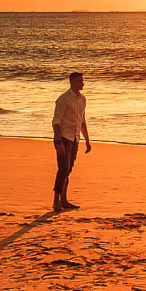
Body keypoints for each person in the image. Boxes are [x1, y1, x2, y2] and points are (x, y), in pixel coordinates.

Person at [52, 72, 91, 211]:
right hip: (63, 137)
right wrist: (58, 142)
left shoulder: (82, 99)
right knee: (63, 169)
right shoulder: (64, 99)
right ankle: (56, 201)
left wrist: (87, 140)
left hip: (75, 137)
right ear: (72, 83)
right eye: (79, 81)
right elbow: (56, 122)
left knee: (69, 169)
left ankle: (64, 199)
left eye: (82, 81)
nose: (82, 83)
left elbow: (82, 121)